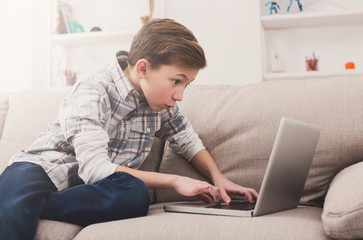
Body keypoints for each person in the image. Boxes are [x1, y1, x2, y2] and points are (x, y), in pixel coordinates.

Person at [0, 18, 258, 239]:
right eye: (176, 81)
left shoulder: (160, 103)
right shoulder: (93, 89)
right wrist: (177, 181)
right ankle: (22, 202)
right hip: (41, 169)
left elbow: (187, 140)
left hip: (86, 190)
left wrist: (219, 178)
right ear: (143, 68)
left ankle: (34, 205)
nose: (179, 95)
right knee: (13, 203)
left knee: (135, 195)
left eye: (186, 84)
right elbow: (95, 167)